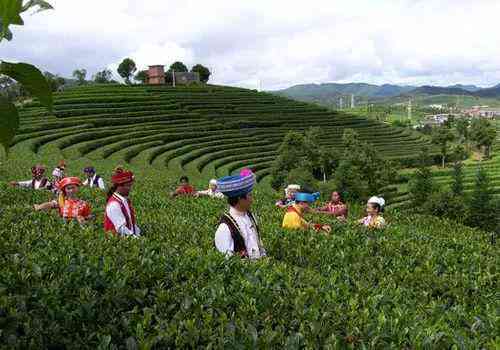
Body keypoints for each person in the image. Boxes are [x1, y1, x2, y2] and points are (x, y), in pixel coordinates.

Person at [214, 168, 266, 259]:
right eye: (249, 195)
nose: (252, 200)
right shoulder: (225, 228)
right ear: (240, 199)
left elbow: (259, 244)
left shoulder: (251, 216)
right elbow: (228, 263)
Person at [104, 168, 141, 237]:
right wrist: (136, 239)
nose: (130, 188)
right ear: (119, 187)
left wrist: (138, 233)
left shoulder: (125, 200)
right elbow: (121, 228)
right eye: (128, 186)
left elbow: (131, 222)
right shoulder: (114, 204)